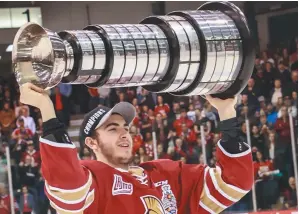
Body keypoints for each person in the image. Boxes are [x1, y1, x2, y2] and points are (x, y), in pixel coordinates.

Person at [19, 83, 254, 214]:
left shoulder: (166, 173)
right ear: (92, 143)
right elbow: (67, 186)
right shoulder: (93, 184)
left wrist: (226, 114)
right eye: (112, 129)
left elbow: (234, 182)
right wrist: (47, 112)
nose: (124, 133)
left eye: (125, 127)